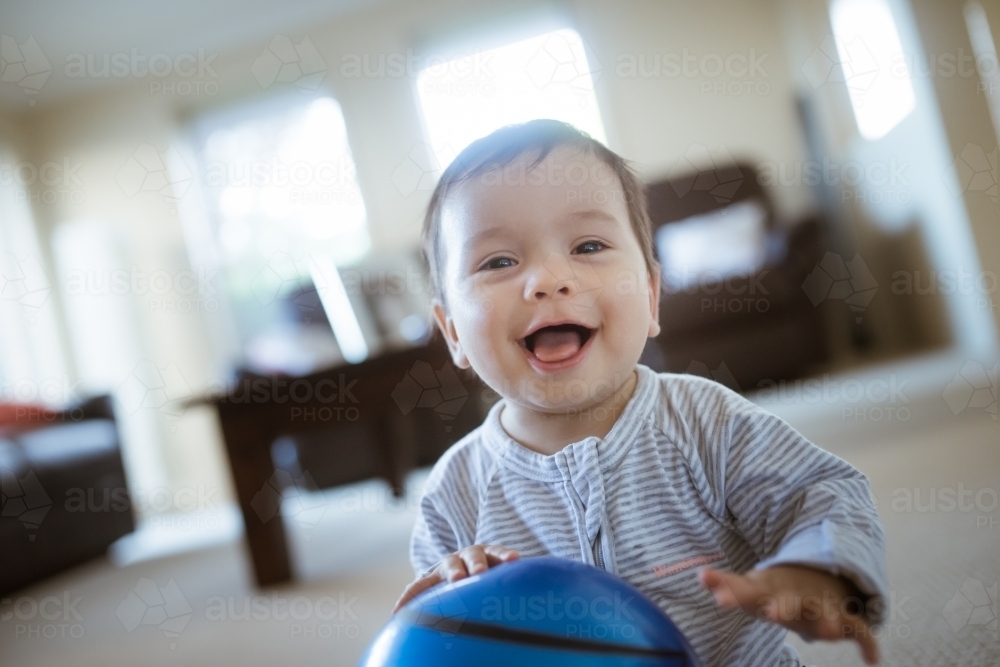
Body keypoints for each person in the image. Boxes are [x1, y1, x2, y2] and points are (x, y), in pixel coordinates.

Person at [391, 119, 888, 666]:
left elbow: (824, 495)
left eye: (588, 245)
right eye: (498, 262)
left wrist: (812, 570)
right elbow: (434, 638)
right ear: (454, 332)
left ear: (651, 296)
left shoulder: (706, 422)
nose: (549, 279)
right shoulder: (454, 492)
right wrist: (447, 596)